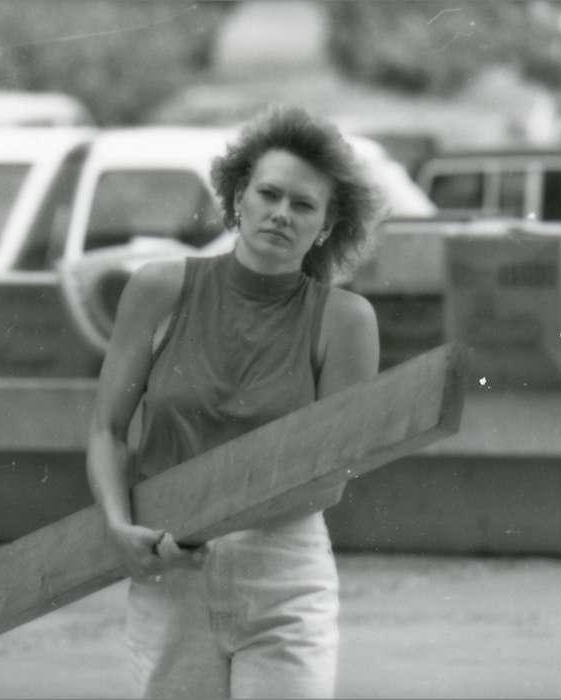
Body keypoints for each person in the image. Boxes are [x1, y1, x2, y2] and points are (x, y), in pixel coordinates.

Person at [86, 106, 383, 699]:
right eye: (268, 194)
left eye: (303, 205)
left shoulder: (345, 321)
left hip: (284, 571)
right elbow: (108, 430)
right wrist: (118, 527)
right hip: (168, 566)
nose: (280, 213)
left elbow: (332, 477)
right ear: (236, 198)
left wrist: (217, 517)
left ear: (326, 226)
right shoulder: (157, 289)